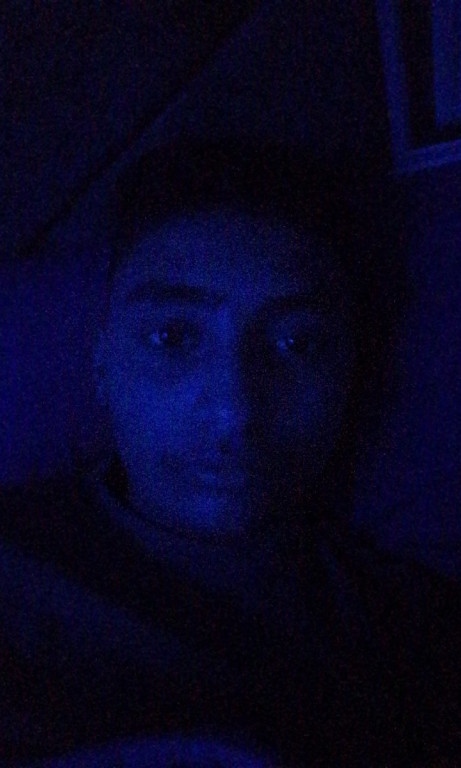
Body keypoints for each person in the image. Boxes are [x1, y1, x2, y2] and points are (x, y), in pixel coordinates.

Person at [0, 139, 458, 768]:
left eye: (297, 344)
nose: (236, 410)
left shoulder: (412, 641)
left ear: (353, 369)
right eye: (173, 336)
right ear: (102, 364)